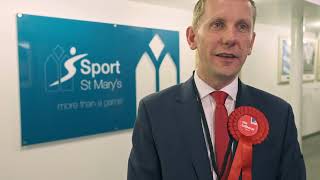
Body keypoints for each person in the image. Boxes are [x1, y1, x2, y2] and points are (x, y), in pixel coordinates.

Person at [127, 0, 306, 179]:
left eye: (242, 26)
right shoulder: (154, 112)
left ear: (251, 42)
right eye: (218, 24)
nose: (230, 38)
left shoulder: (278, 114)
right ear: (192, 37)